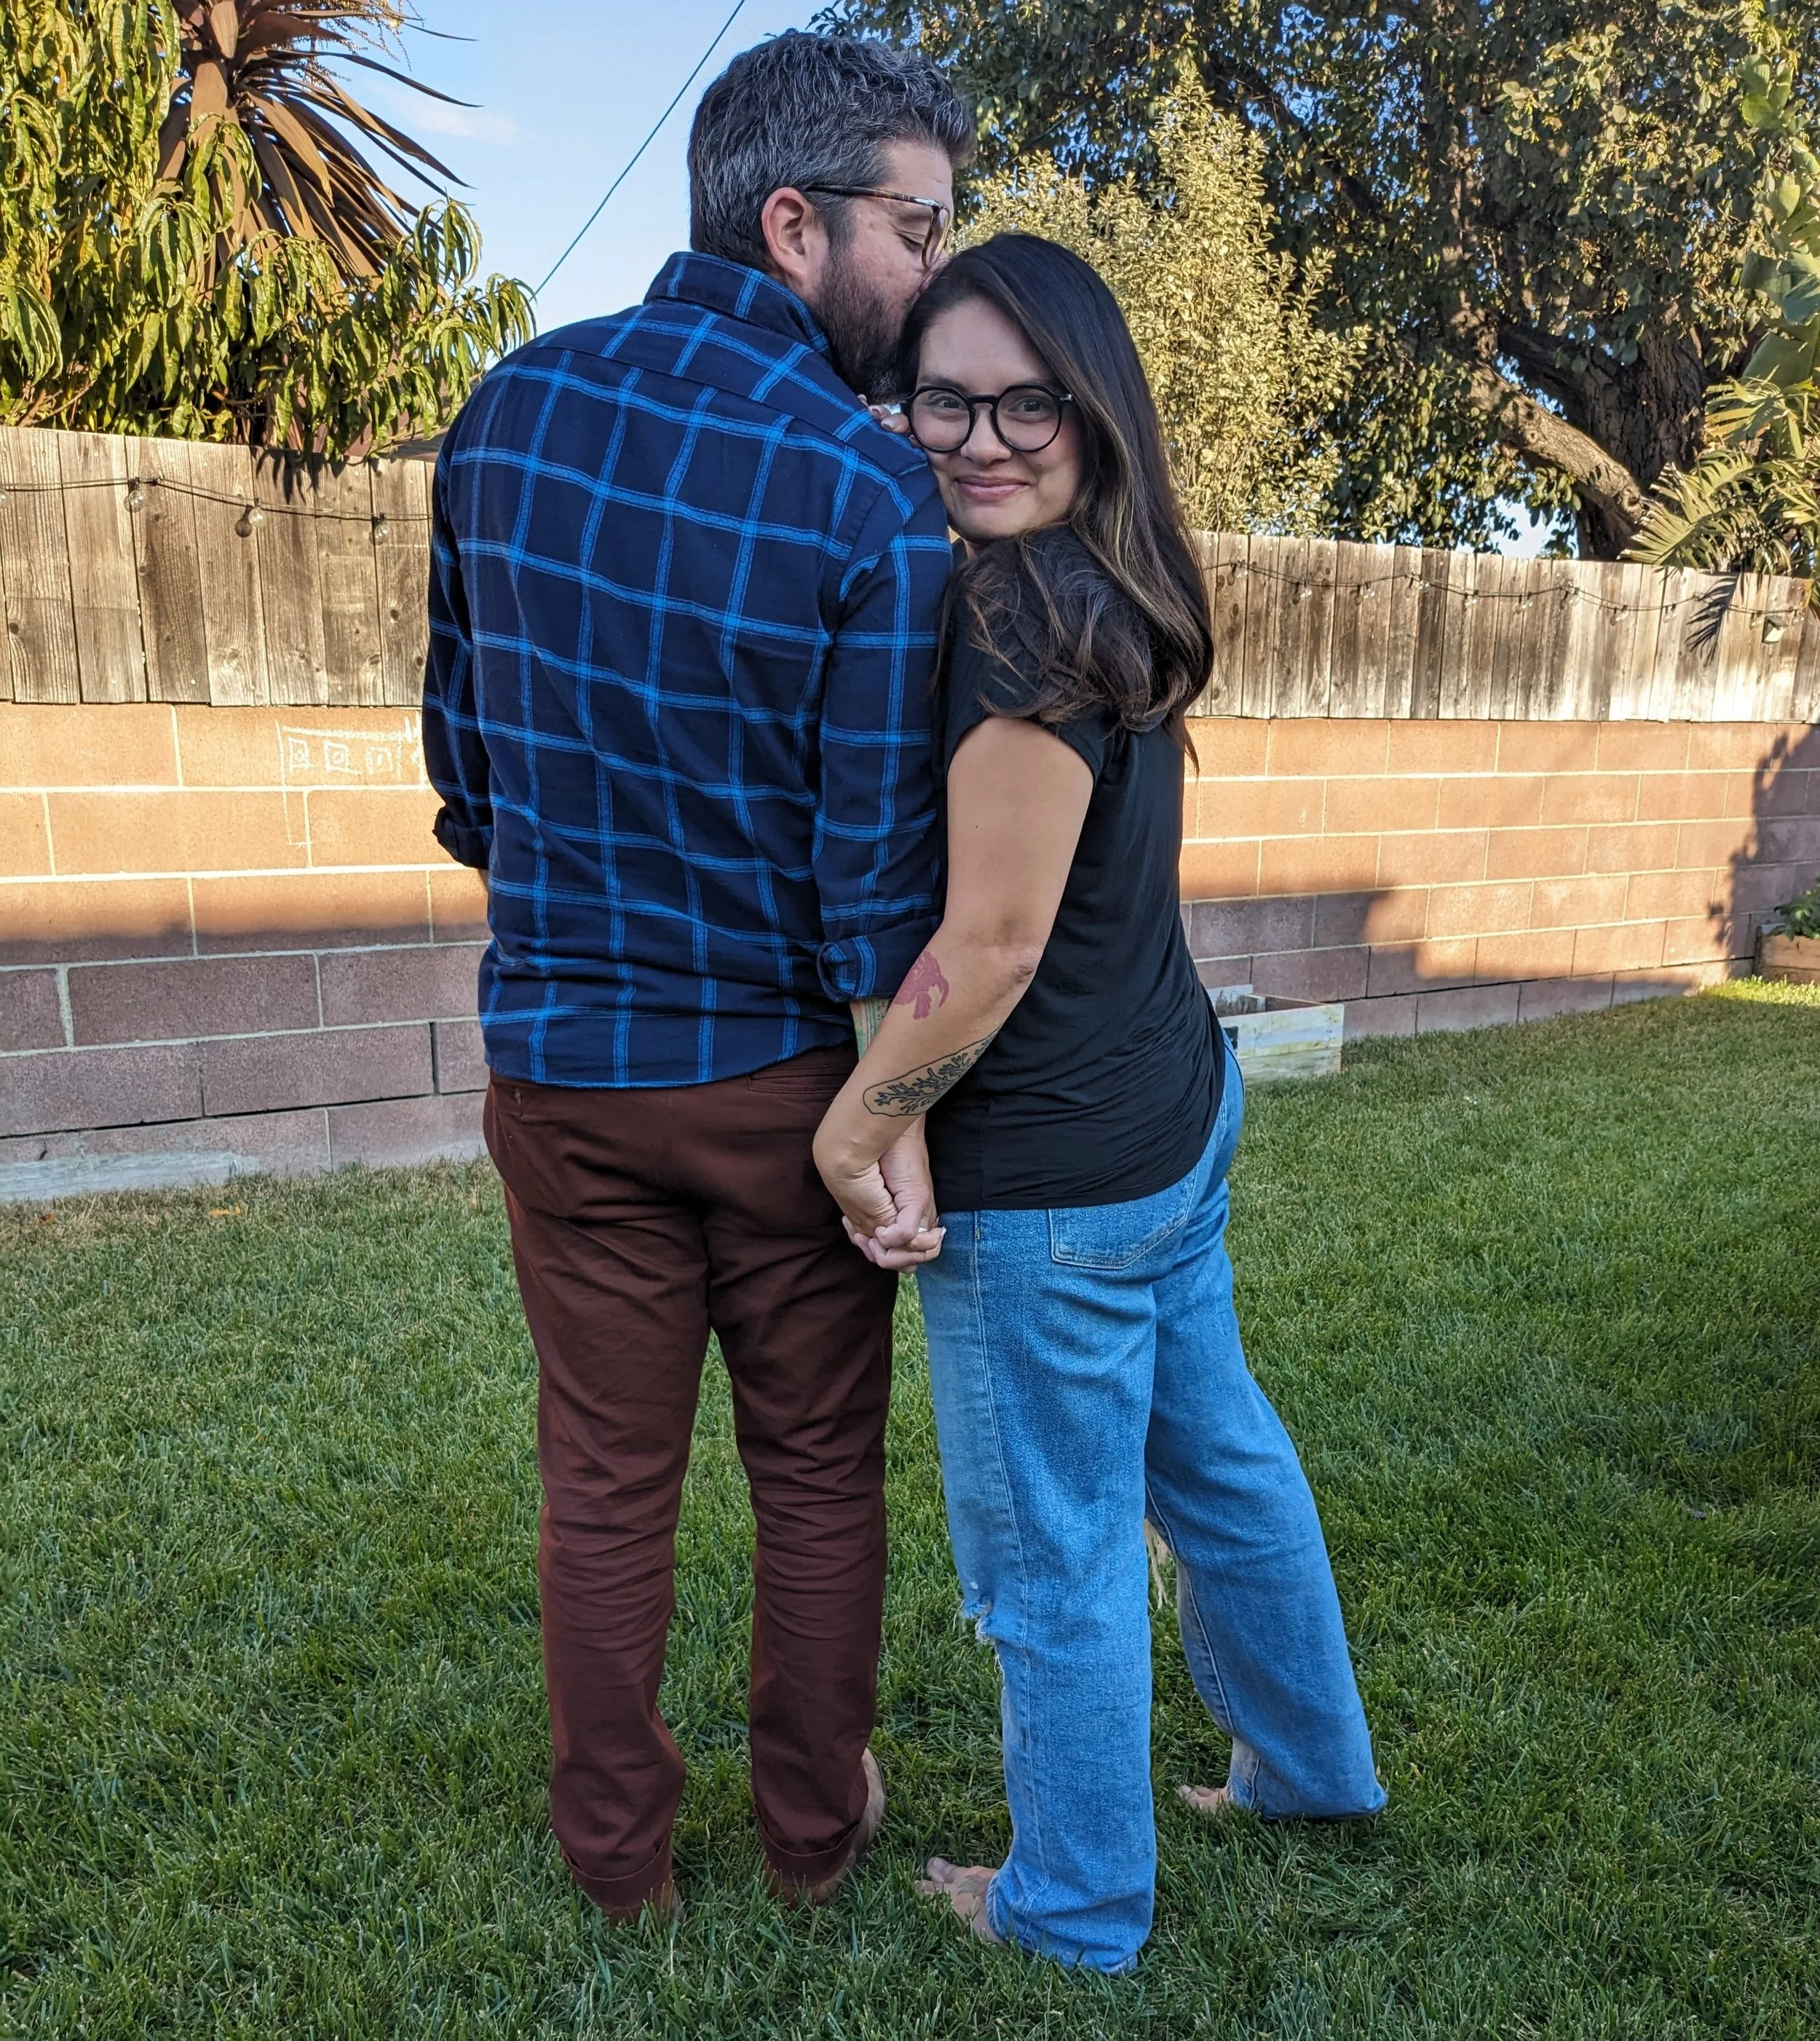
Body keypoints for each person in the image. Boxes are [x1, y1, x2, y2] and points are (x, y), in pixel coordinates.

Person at [420, 31, 972, 1925]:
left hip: (562, 1072)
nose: (936, 273)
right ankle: (817, 1846)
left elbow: (466, 777)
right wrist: (880, 1109)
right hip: (780, 1091)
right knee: (817, 1471)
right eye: (920, 226)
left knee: (603, 1480)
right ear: (792, 220)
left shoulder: (500, 414)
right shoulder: (866, 487)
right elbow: (872, 864)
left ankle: (620, 1871)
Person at [813, 234, 1386, 1974]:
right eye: (943, 398)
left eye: (1024, 403)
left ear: (1092, 409)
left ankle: (1067, 1906)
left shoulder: (1007, 615)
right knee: (1215, 1462)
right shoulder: (1113, 580)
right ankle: (1307, 1771)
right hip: (1170, 1124)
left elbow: (985, 945)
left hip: (1052, 1183)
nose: (979, 438)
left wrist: (854, 1124)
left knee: (1054, 1556)